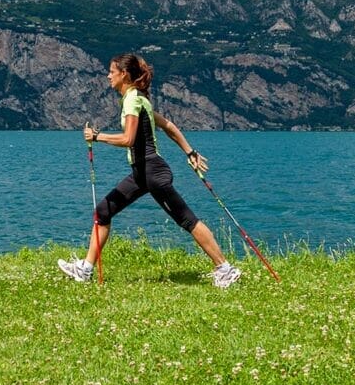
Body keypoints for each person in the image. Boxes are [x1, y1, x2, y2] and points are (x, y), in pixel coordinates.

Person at [57, 53, 242, 288]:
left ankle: (224, 268)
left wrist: (96, 136)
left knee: (186, 219)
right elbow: (168, 126)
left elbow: (128, 139)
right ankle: (85, 269)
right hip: (141, 174)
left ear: (123, 74)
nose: (108, 76)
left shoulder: (133, 100)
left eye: (111, 72)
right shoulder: (139, 99)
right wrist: (190, 153)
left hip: (152, 172)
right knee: (102, 211)